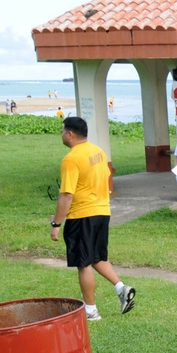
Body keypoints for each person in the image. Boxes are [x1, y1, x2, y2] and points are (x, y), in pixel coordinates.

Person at [49, 117, 135, 321]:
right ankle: (122, 288)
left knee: (83, 263)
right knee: (97, 257)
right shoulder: (98, 152)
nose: (61, 134)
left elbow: (66, 195)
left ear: (70, 134)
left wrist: (56, 223)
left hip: (82, 215)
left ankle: (91, 311)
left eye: (63, 131)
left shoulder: (71, 159)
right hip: (102, 212)